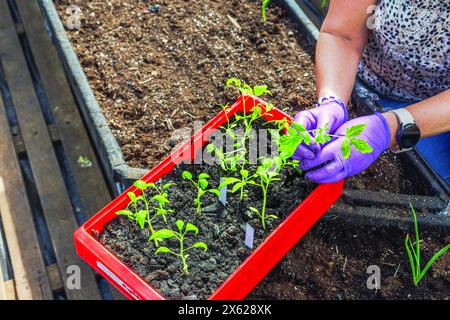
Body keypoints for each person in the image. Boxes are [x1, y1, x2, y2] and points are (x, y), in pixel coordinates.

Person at [293, 0, 449, 185]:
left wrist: (390, 129)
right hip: (357, 73)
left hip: (437, 107)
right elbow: (342, 34)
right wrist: (332, 98)